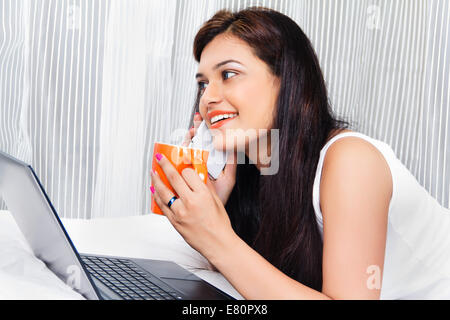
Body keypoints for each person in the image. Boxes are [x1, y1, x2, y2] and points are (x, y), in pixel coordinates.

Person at [150, 7, 450, 299]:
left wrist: (216, 237)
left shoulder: (351, 161)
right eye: (203, 83)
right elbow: (256, 281)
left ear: (287, 81)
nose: (208, 98)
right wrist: (218, 204)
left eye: (228, 74)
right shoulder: (257, 166)